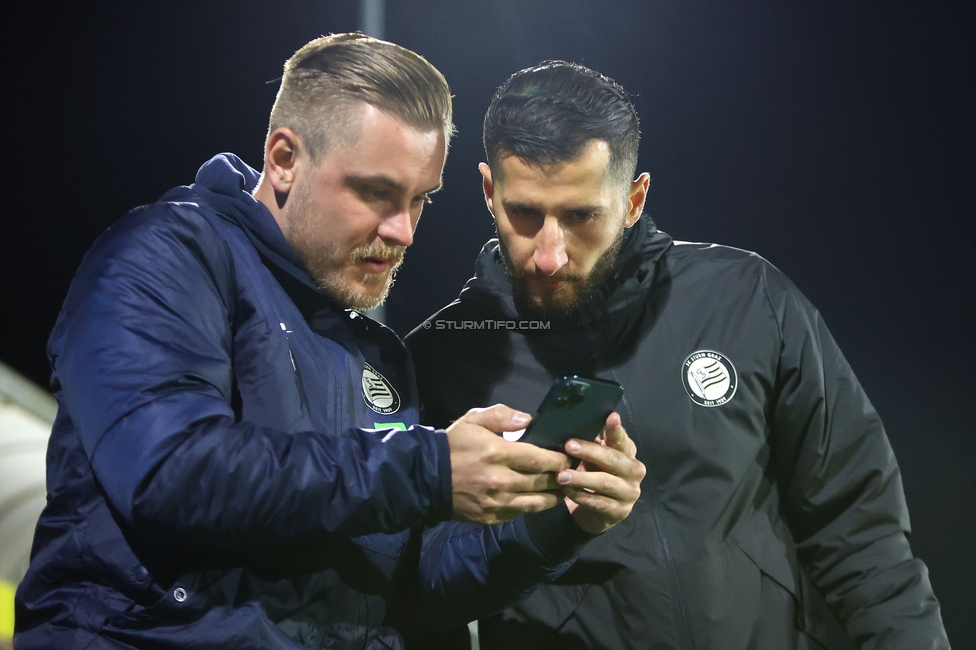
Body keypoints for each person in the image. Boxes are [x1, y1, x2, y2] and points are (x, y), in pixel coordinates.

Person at [14, 37, 644, 649]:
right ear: (284, 159)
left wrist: (558, 521)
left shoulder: (378, 354)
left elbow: (408, 595)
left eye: (419, 200)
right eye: (375, 192)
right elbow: (167, 471)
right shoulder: (167, 256)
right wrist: (428, 468)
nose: (402, 232)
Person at [405, 61, 950, 649]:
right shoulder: (439, 360)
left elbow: (859, 532)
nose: (549, 255)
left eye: (582, 216)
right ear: (489, 190)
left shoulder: (747, 298)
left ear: (634, 198)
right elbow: (418, 590)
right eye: (525, 214)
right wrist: (554, 526)